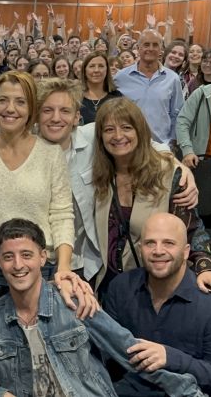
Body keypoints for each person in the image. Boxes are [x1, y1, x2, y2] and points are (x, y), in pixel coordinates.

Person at [0, 218, 205, 397]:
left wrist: (187, 391)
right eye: (8, 257)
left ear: (43, 257)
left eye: (26, 255)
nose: (18, 265)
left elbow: (128, 351)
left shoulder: (74, 302)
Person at [36, 78, 199, 288]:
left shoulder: (92, 136)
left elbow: (142, 141)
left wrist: (181, 168)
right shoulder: (26, 148)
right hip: (36, 259)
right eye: (47, 110)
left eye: (65, 111)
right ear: (36, 115)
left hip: (85, 262)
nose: (56, 118)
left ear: (77, 117)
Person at [92, 97, 211, 294]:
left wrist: (206, 268)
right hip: (108, 288)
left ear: (140, 131)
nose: (118, 136)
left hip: (152, 286)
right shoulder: (99, 176)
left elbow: (192, 229)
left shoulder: (169, 174)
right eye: (109, 129)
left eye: (126, 127)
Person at [104, 213, 211, 397]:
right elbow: (106, 357)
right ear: (140, 248)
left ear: (186, 251)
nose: (158, 250)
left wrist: (171, 358)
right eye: (150, 243)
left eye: (168, 243)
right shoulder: (120, 288)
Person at [0, 71, 76, 303]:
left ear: (31, 109)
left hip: (41, 265)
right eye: (3, 100)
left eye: (20, 102)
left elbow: (62, 214)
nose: (10, 108)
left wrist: (64, 267)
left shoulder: (50, 154)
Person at [114, 29, 184, 147]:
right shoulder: (121, 77)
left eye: (155, 45)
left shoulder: (172, 79)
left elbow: (177, 114)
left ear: (161, 49)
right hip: (127, 146)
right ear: (138, 47)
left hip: (161, 147)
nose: (150, 48)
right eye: (146, 44)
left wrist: (171, 142)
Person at [81, 52, 123, 124]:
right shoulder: (76, 98)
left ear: (107, 70)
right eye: (92, 66)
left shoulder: (117, 97)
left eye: (101, 66)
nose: (96, 70)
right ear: (85, 70)